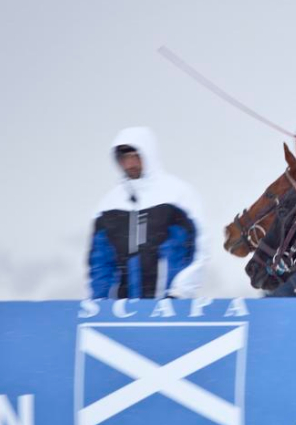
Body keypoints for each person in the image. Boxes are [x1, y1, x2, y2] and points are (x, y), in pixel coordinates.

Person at [88, 127, 208, 299]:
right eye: (124, 158)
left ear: (148, 153)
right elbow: (100, 263)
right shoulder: (108, 204)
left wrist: (180, 294)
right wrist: (99, 305)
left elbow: (199, 249)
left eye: (135, 156)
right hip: (122, 313)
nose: (130, 164)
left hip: (171, 307)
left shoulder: (178, 195)